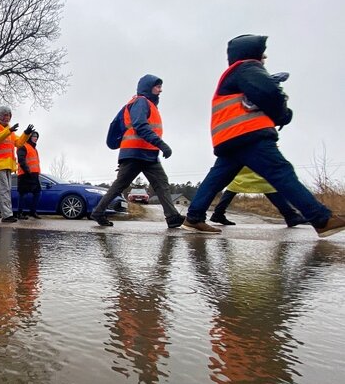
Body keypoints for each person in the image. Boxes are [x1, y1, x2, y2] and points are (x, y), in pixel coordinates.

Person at [182, 34, 345, 237]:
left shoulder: (235, 73)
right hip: (248, 135)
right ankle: (321, 219)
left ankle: (194, 217)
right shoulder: (247, 67)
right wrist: (283, 115)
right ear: (252, 53)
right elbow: (269, 93)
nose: (264, 58)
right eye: (262, 53)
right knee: (280, 172)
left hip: (229, 137)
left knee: (215, 180)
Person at [92, 74, 185, 228]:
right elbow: (140, 125)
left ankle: (172, 217)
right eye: (157, 86)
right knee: (120, 186)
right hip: (134, 153)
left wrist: (157, 147)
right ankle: (98, 211)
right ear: (148, 87)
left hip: (149, 154)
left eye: (160, 86)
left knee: (162, 184)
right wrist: (162, 144)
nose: (160, 90)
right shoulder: (141, 102)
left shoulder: (151, 105)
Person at [0, 105, 34, 223]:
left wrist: (26, 134)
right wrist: (8, 131)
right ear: (0, 116)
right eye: (5, 115)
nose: (7, 118)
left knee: (4, 190)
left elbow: (18, 143)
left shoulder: (9, 130)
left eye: (9, 115)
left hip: (8, 165)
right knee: (4, 189)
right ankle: (6, 215)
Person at [210, 167, 307, 227]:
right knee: (267, 184)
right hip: (251, 150)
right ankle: (290, 215)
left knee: (236, 182)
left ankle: (218, 213)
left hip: (241, 150)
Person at [16, 130, 42, 219]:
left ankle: (32, 212)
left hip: (34, 175)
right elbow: (21, 160)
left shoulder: (35, 149)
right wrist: (27, 170)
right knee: (22, 194)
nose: (36, 138)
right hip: (25, 174)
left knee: (38, 192)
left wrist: (37, 173)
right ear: (29, 137)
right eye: (34, 136)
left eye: (37, 137)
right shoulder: (23, 146)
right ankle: (19, 213)